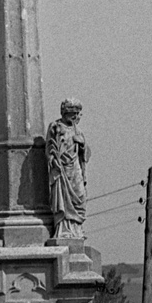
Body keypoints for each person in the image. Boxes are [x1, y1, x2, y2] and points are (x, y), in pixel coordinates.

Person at [46, 98, 90, 238]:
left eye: (78, 114)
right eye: (74, 113)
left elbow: (86, 154)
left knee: (80, 196)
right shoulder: (55, 127)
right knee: (63, 200)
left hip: (75, 168)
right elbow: (49, 148)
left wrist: (82, 145)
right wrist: (54, 160)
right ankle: (64, 229)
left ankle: (77, 229)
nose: (76, 117)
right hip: (62, 170)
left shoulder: (78, 131)